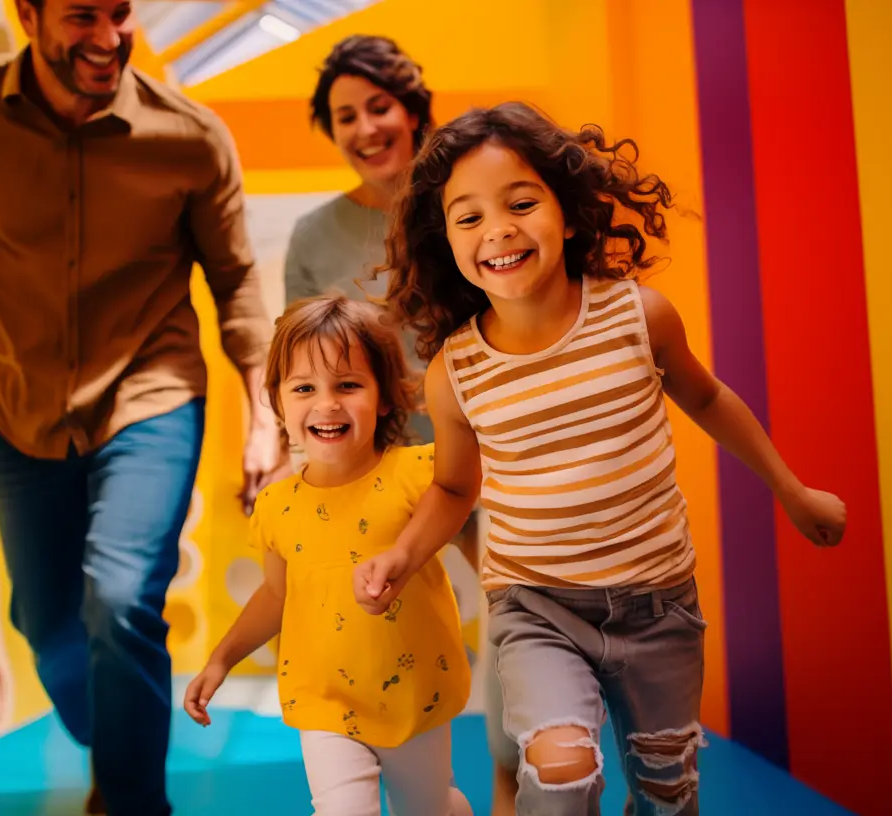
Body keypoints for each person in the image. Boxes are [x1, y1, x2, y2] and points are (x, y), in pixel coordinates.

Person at [0, 1, 287, 813]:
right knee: (46, 625)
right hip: (21, 406)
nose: (111, 38)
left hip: (152, 395)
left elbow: (236, 286)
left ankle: (129, 798)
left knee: (121, 600)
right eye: (83, 16)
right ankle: (111, 735)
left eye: (121, 13)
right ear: (28, 13)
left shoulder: (190, 136)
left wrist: (263, 416)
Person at [352, 101, 848, 815]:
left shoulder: (638, 317)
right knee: (560, 773)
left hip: (658, 606)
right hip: (537, 608)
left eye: (521, 202)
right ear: (447, 243)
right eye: (468, 218)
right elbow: (456, 489)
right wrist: (402, 555)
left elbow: (709, 401)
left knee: (667, 795)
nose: (498, 229)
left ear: (570, 212)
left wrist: (792, 491)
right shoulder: (455, 371)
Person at [284, 35, 520, 812]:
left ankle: (507, 782)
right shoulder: (315, 237)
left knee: (515, 613)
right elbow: (297, 360)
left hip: (483, 456)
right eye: (345, 116)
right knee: (377, 627)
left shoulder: (461, 204)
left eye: (378, 106)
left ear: (412, 109)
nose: (365, 128)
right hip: (374, 476)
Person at [183, 294, 472, 816]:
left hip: (415, 697)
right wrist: (221, 659)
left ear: (384, 398)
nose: (327, 403)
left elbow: (465, 492)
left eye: (348, 385)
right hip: (326, 702)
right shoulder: (275, 506)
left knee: (426, 808)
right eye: (304, 388)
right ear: (278, 403)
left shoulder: (419, 475)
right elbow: (276, 595)